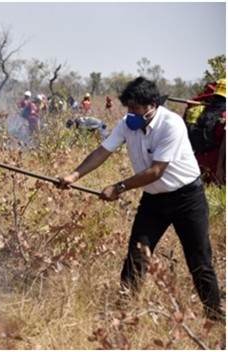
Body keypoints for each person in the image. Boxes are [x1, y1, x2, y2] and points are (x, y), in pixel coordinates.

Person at [57, 77, 223, 321]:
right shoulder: (127, 124)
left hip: (187, 199)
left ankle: (215, 317)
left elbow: (156, 170)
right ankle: (123, 314)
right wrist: (74, 175)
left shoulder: (172, 124)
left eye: (135, 108)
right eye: (128, 108)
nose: (130, 113)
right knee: (136, 257)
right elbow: (103, 152)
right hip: (154, 200)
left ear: (152, 105)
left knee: (199, 261)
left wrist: (119, 187)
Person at [183, 79, 226, 185]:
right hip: (216, 161)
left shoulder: (199, 109)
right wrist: (220, 167)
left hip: (198, 159)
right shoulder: (223, 114)